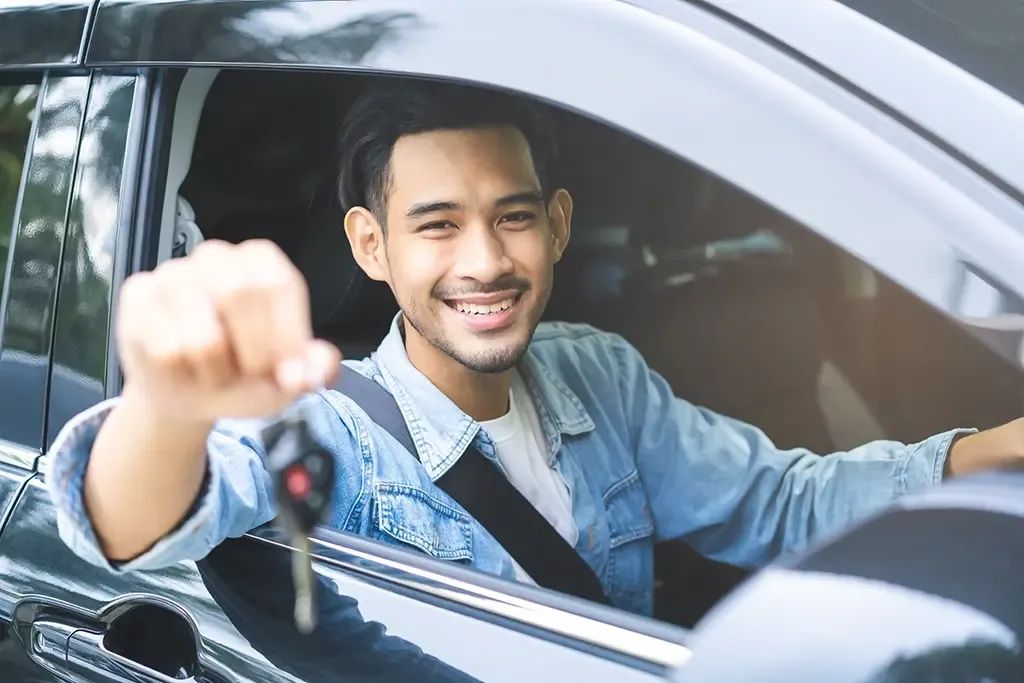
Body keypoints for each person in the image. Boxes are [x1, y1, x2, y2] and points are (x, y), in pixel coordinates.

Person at [47, 82, 1024, 616]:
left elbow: (778, 501)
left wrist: (995, 447)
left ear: (558, 224)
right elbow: (126, 526)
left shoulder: (597, 371)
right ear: (369, 246)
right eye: (435, 226)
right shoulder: (328, 422)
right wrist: (168, 404)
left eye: (512, 217)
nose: (485, 261)